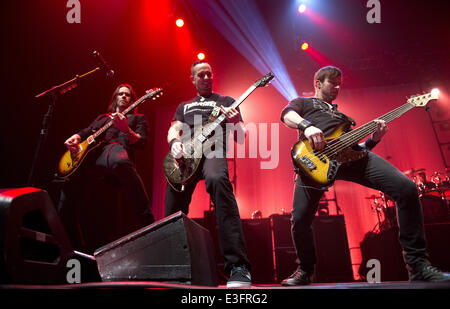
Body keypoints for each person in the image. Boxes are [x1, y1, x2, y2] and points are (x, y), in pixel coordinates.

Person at [280, 66, 450, 285]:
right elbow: (286, 115)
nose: (338, 87)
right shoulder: (303, 103)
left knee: (407, 188)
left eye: (340, 83)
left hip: (352, 160)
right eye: (333, 83)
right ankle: (304, 270)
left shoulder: (343, 117)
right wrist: (308, 126)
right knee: (300, 220)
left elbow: (357, 150)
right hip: (314, 162)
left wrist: (373, 139)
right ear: (318, 83)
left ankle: (418, 266)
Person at [165, 60, 251, 288]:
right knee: (173, 203)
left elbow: (241, 137)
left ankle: (238, 267)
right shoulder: (184, 106)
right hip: (186, 155)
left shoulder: (226, 102)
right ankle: (172, 267)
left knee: (217, 179)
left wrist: (234, 121)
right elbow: (174, 128)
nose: (206, 78)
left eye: (209, 74)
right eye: (200, 75)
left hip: (214, 149)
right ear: (192, 79)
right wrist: (174, 142)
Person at [58, 84, 155, 250]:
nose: (124, 97)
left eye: (128, 95)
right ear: (115, 97)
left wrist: (126, 130)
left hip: (114, 149)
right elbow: (86, 131)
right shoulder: (102, 117)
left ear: (133, 99)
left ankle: (149, 222)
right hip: (90, 155)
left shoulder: (138, 118)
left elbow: (141, 142)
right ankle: (66, 242)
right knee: (68, 185)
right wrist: (76, 137)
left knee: (120, 161)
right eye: (121, 94)